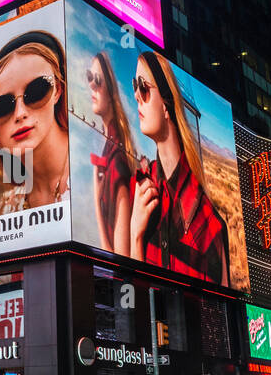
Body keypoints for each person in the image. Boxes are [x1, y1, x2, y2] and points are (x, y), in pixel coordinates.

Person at [129, 50, 230, 284]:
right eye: (134, 85)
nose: (136, 95)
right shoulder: (141, 188)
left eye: (143, 86)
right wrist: (136, 235)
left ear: (166, 105)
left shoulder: (208, 222)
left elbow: (221, 310)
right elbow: (133, 299)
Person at [0, 31, 71, 213]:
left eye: (37, 90)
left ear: (58, 90)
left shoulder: (95, 169)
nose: (20, 114)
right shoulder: (5, 209)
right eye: (2, 106)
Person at [86, 51, 137, 253]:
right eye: (89, 76)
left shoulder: (117, 162)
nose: (91, 84)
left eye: (97, 79)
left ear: (111, 92)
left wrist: (96, 202)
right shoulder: (111, 150)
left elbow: (120, 258)